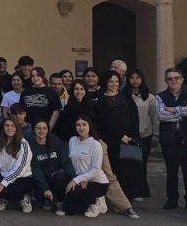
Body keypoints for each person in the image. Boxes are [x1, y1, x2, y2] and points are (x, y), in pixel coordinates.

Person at [93, 71, 148, 200]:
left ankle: (129, 196)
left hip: (129, 139)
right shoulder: (100, 99)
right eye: (111, 81)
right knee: (114, 170)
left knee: (129, 169)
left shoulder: (126, 96)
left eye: (117, 81)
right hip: (111, 141)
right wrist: (118, 136)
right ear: (106, 83)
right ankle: (116, 198)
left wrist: (131, 135)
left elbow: (134, 117)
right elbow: (103, 122)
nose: (114, 84)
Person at [156, 67, 187, 211]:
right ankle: (172, 199)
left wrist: (173, 109)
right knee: (171, 171)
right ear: (166, 81)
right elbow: (161, 115)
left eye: (176, 78)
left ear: (181, 80)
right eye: (170, 79)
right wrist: (181, 112)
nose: (173, 81)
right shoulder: (160, 96)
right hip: (169, 140)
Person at [64, 115, 110, 217]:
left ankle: (98, 202)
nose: (81, 127)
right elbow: (71, 163)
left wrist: (78, 179)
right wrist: (79, 179)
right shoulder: (72, 140)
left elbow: (96, 170)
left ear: (89, 126)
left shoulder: (95, 145)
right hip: (80, 180)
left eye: (84, 124)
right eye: (78, 125)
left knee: (72, 203)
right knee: (68, 209)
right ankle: (87, 202)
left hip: (97, 182)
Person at [29, 119, 75, 215]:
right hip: (41, 179)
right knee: (38, 193)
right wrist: (45, 188)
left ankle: (60, 202)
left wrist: (75, 178)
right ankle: (47, 198)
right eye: (38, 128)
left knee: (60, 178)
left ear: (48, 130)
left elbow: (65, 162)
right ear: (34, 130)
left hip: (55, 177)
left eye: (44, 128)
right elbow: (35, 169)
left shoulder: (56, 142)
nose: (41, 131)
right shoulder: (30, 145)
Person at [0, 117, 36, 213]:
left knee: (4, 191)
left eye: (13, 126)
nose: (10, 128)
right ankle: (4, 197)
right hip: (3, 176)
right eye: (7, 125)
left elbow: (19, 169)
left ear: (17, 128)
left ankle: (23, 197)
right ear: (3, 128)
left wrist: (3, 184)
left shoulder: (23, 144)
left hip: (22, 178)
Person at [127, 69, 159, 198]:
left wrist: (156, 134)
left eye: (137, 77)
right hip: (129, 137)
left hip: (145, 135)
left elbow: (154, 117)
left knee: (142, 165)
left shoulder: (150, 97)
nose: (135, 80)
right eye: (132, 77)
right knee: (130, 164)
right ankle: (130, 190)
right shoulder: (124, 95)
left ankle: (139, 191)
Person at [21, 67, 62, 131]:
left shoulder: (51, 92)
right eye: (33, 76)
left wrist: (49, 128)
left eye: (38, 75)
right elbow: (21, 110)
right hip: (28, 129)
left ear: (43, 76)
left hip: (45, 128)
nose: (35, 78)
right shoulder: (25, 92)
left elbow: (56, 111)